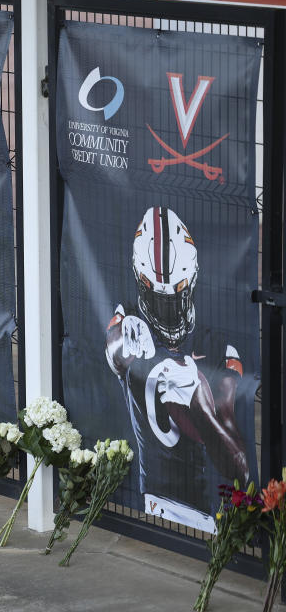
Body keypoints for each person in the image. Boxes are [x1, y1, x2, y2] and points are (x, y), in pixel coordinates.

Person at [105, 206, 249, 533]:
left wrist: (199, 404)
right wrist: (125, 343)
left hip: (203, 508)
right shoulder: (129, 318)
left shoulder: (219, 346)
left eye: (176, 297)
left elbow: (239, 466)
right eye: (158, 299)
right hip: (150, 500)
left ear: (192, 280)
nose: (168, 309)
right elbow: (113, 350)